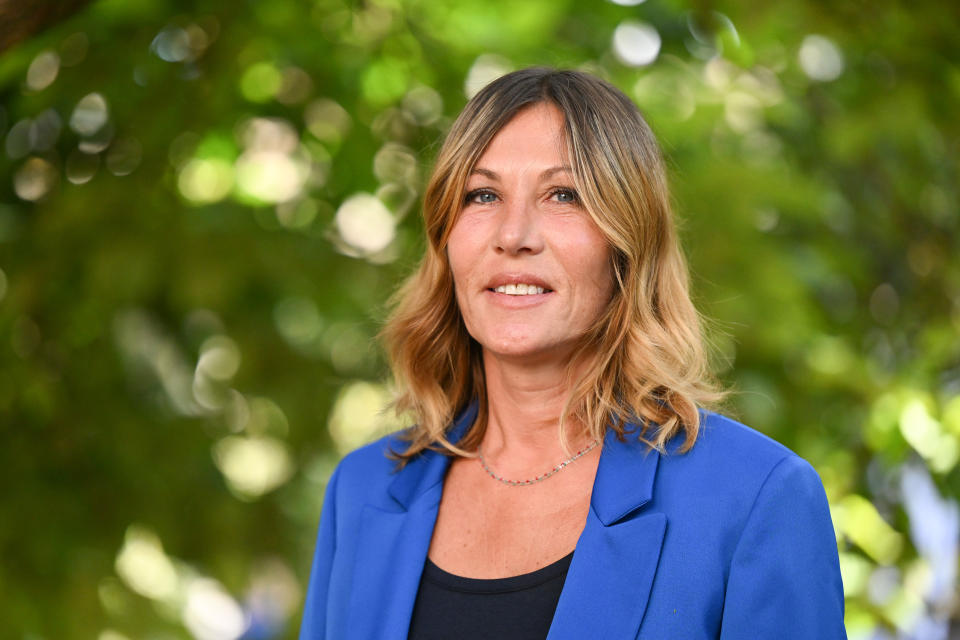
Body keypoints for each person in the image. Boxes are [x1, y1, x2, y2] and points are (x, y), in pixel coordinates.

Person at [298, 67, 846, 639]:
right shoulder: (361, 493)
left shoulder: (756, 498)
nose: (513, 235)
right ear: (446, 240)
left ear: (627, 243)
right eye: (482, 195)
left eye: (564, 195)